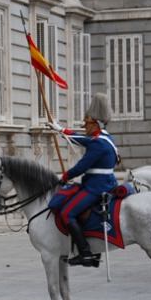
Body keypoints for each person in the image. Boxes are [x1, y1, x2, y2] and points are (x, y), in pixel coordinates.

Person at [46, 93, 119, 267]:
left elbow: (81, 167)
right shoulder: (106, 139)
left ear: (96, 123)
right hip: (105, 183)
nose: (84, 125)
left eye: (87, 122)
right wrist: (61, 130)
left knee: (67, 213)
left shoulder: (98, 143)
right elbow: (81, 140)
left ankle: (85, 253)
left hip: (96, 186)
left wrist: (64, 177)